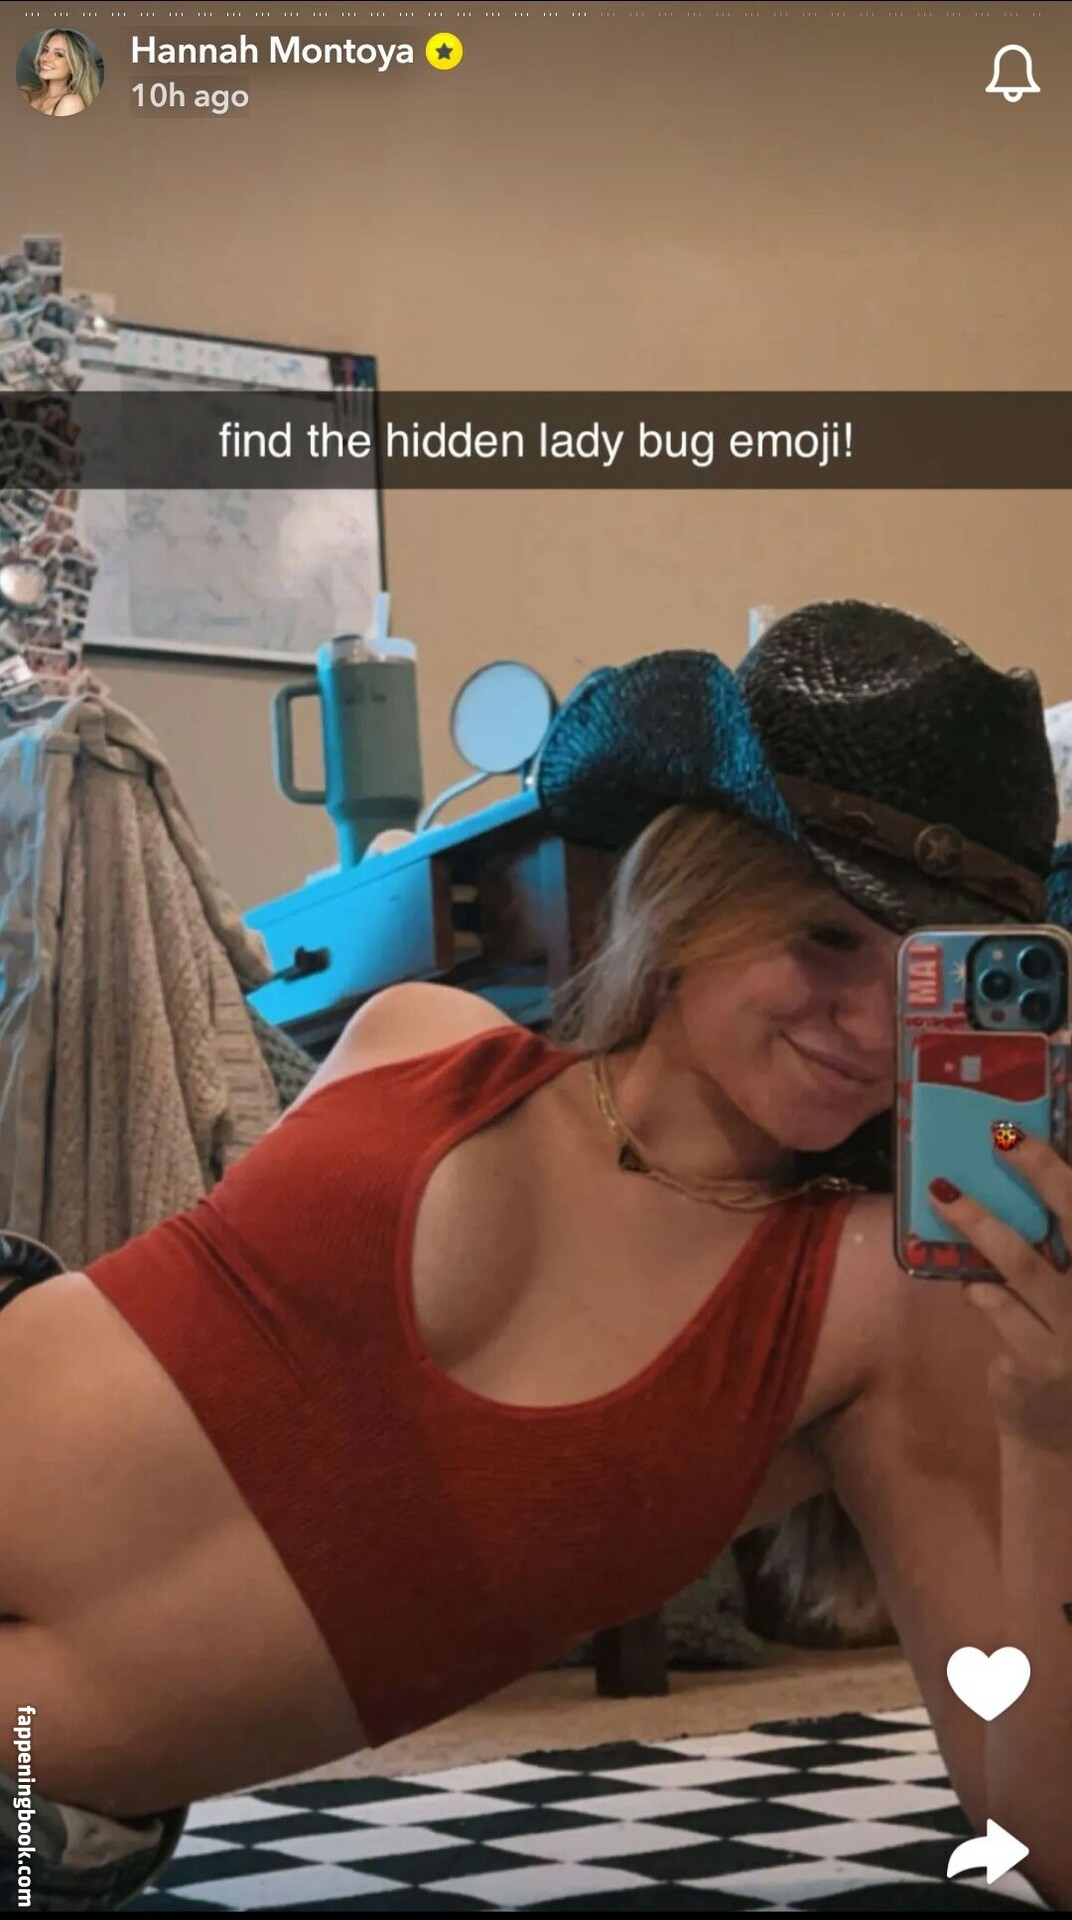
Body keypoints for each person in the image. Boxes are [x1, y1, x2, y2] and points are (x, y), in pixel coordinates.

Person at [2, 600, 1071, 1911]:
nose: (868, 1025)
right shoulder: (418, 1035)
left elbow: (1043, 1835)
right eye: (827, 936)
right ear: (690, 897)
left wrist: (1046, 1429)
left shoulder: (880, 1304)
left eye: (925, 981)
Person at [20, 30, 99, 118]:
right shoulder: (29, 92)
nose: (44, 58)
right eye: (46, 50)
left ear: (74, 67)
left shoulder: (71, 103)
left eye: (58, 54)